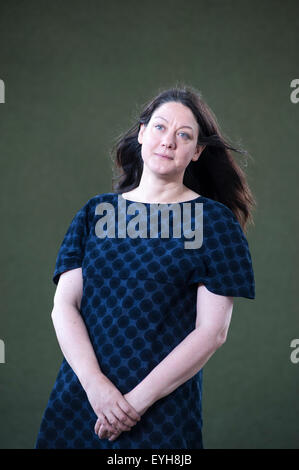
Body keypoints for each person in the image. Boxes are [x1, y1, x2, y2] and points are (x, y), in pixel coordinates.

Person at [35, 85, 256, 449]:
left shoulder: (214, 223)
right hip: (81, 401)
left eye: (184, 135)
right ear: (141, 133)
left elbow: (212, 332)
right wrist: (97, 388)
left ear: (197, 151)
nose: (168, 141)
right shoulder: (95, 213)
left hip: (160, 413)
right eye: (159, 127)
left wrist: (131, 406)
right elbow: (64, 306)